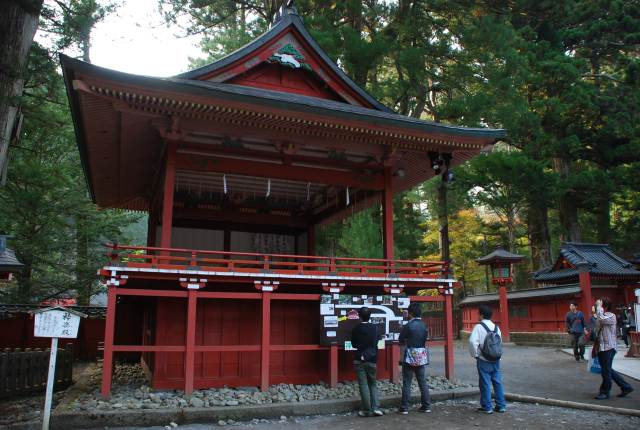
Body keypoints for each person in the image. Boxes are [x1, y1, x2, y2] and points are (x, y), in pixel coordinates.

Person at [593, 298, 634, 400]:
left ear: (605, 306)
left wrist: (599, 307)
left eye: (600, 304)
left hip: (608, 347)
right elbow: (597, 326)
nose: (597, 306)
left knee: (606, 371)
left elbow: (602, 319)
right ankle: (626, 387)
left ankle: (605, 392)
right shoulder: (601, 315)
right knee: (607, 369)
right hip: (602, 347)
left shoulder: (611, 316)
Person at [469, 305, 506, 414]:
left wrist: (475, 354)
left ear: (481, 315)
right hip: (496, 359)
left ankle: (487, 407)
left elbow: (472, 342)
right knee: (497, 382)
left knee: (485, 383)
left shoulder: (478, 327)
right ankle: (501, 406)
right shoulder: (496, 327)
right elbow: (499, 343)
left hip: (483, 359)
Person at [398, 302, 431, 414]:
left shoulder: (408, 325)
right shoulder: (424, 325)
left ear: (411, 313)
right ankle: (426, 406)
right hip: (421, 356)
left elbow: (401, 339)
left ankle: (404, 408)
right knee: (422, 381)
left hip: (409, 356)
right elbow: (426, 338)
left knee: (407, 382)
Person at [351, 307, 383, 417]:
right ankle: (376, 408)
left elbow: (354, 344)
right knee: (373, 383)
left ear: (359, 316)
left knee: (363, 384)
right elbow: (378, 340)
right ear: (370, 316)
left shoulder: (356, 329)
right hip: (372, 359)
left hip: (359, 359)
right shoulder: (375, 328)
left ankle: (367, 410)